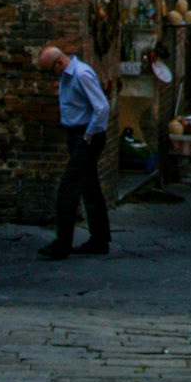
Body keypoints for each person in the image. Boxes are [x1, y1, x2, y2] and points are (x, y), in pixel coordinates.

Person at [37, 43, 112, 260]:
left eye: (51, 70)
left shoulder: (81, 74)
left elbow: (102, 107)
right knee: (90, 187)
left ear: (59, 63)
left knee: (68, 189)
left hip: (86, 136)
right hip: (76, 134)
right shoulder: (66, 76)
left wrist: (88, 136)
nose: (53, 76)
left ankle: (62, 243)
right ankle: (99, 239)